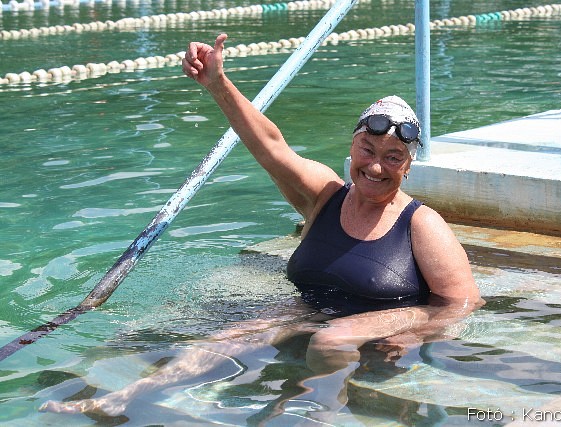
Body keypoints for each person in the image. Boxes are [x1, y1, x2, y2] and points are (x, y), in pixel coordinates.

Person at [40, 33, 482, 420]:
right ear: (352, 146)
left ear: (408, 166)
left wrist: (410, 333)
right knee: (225, 337)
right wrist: (217, 83)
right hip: (312, 307)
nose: (376, 167)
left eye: (393, 157)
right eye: (368, 150)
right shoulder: (325, 195)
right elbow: (269, 144)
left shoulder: (421, 224)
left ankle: (320, 414)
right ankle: (123, 397)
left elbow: (463, 302)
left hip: (382, 318)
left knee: (332, 339)